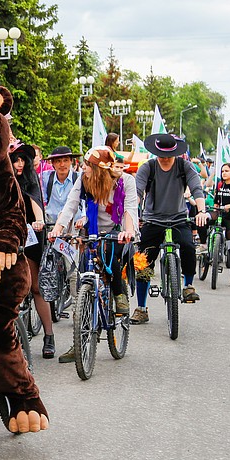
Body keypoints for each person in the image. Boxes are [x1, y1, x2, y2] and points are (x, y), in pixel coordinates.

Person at [50, 146, 137, 360]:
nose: (84, 168)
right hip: (92, 232)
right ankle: (79, 342)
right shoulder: (83, 181)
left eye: (88, 165)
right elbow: (70, 205)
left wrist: (128, 231)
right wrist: (58, 229)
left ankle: (119, 295)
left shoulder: (125, 182)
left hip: (117, 232)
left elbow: (129, 210)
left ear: (100, 169)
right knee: (81, 283)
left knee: (107, 251)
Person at [132, 134, 209, 322]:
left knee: (188, 246)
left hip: (178, 218)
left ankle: (188, 285)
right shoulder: (147, 168)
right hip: (152, 220)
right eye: (161, 155)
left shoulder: (185, 166)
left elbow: (197, 189)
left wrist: (201, 211)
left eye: (169, 155)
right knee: (143, 262)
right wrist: (133, 213)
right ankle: (141, 308)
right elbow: (137, 192)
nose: (165, 159)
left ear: (175, 153)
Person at [10, 142, 55, 358]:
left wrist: (38, 221)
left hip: (30, 235)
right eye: (15, 160)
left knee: (36, 287)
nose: (19, 164)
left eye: (22, 160)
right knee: (10, 291)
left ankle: (49, 335)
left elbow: (35, 202)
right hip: (8, 236)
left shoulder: (31, 179)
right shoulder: (4, 181)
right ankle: (11, 338)